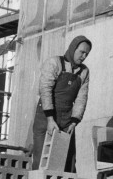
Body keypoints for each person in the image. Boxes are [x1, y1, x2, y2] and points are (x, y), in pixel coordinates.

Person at [31, 36, 92, 171]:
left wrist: (74, 121)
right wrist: (50, 119)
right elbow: (45, 90)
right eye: (81, 52)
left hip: (66, 118)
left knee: (67, 160)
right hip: (46, 116)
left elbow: (82, 98)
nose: (83, 56)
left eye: (87, 54)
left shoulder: (84, 72)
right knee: (42, 158)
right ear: (73, 48)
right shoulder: (54, 63)